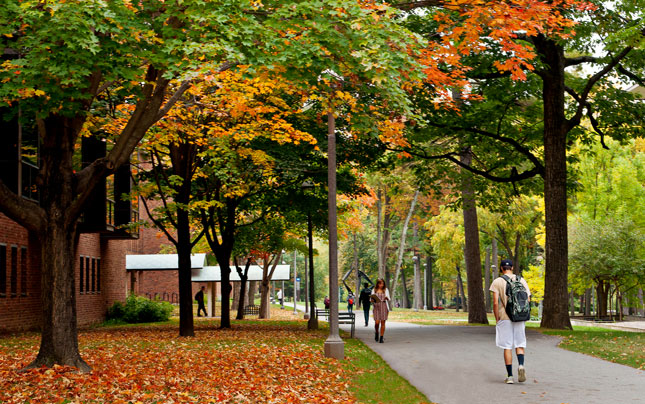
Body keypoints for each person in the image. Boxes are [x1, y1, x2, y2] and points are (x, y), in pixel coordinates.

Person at [490, 259, 531, 384]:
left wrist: (497, 318)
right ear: (512, 267)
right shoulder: (521, 280)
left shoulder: (498, 281)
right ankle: (521, 365)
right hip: (519, 317)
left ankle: (510, 376)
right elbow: (528, 300)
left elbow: (496, 302)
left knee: (507, 346)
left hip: (505, 316)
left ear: (502, 268)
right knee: (520, 343)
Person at [371, 278, 390, 343]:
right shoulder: (374, 290)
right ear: (377, 284)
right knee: (377, 323)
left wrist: (386, 298)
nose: (381, 285)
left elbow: (388, 298)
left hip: (384, 306)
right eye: (380, 283)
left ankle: (381, 337)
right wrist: (372, 300)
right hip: (376, 307)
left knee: (383, 323)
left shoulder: (385, 289)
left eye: (382, 283)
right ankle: (376, 332)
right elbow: (371, 299)